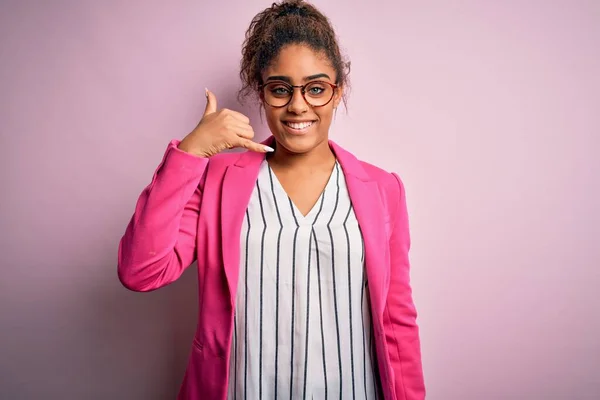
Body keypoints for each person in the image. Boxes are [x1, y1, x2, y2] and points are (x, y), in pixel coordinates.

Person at [117, 0, 425, 399]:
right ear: (260, 92)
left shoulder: (383, 189)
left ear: (337, 92)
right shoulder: (217, 181)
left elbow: (396, 319)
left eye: (316, 88)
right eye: (280, 89)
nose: (298, 105)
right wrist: (190, 153)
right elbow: (141, 271)